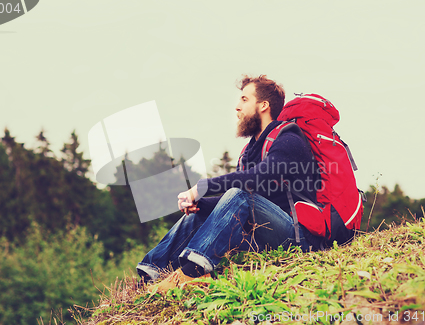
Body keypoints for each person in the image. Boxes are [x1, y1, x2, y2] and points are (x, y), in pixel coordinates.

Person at [136, 75, 324, 292]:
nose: (237, 107)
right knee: (199, 213)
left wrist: (202, 187)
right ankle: (148, 277)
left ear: (263, 105)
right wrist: (202, 205)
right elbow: (237, 201)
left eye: (244, 99)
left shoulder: (289, 139)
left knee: (239, 194)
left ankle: (193, 272)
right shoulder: (250, 151)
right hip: (261, 238)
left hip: (296, 238)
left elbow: (256, 179)